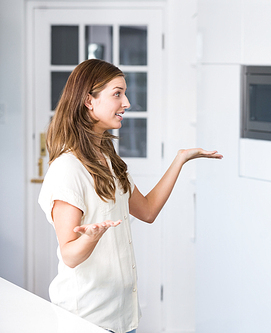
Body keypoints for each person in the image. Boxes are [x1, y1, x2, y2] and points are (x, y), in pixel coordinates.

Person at [38, 59, 222, 333]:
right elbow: (70, 255)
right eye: (117, 93)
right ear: (89, 101)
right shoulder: (68, 168)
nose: (126, 102)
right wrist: (90, 238)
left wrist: (180, 159)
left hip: (122, 316)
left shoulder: (108, 160)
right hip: (86, 319)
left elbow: (147, 211)